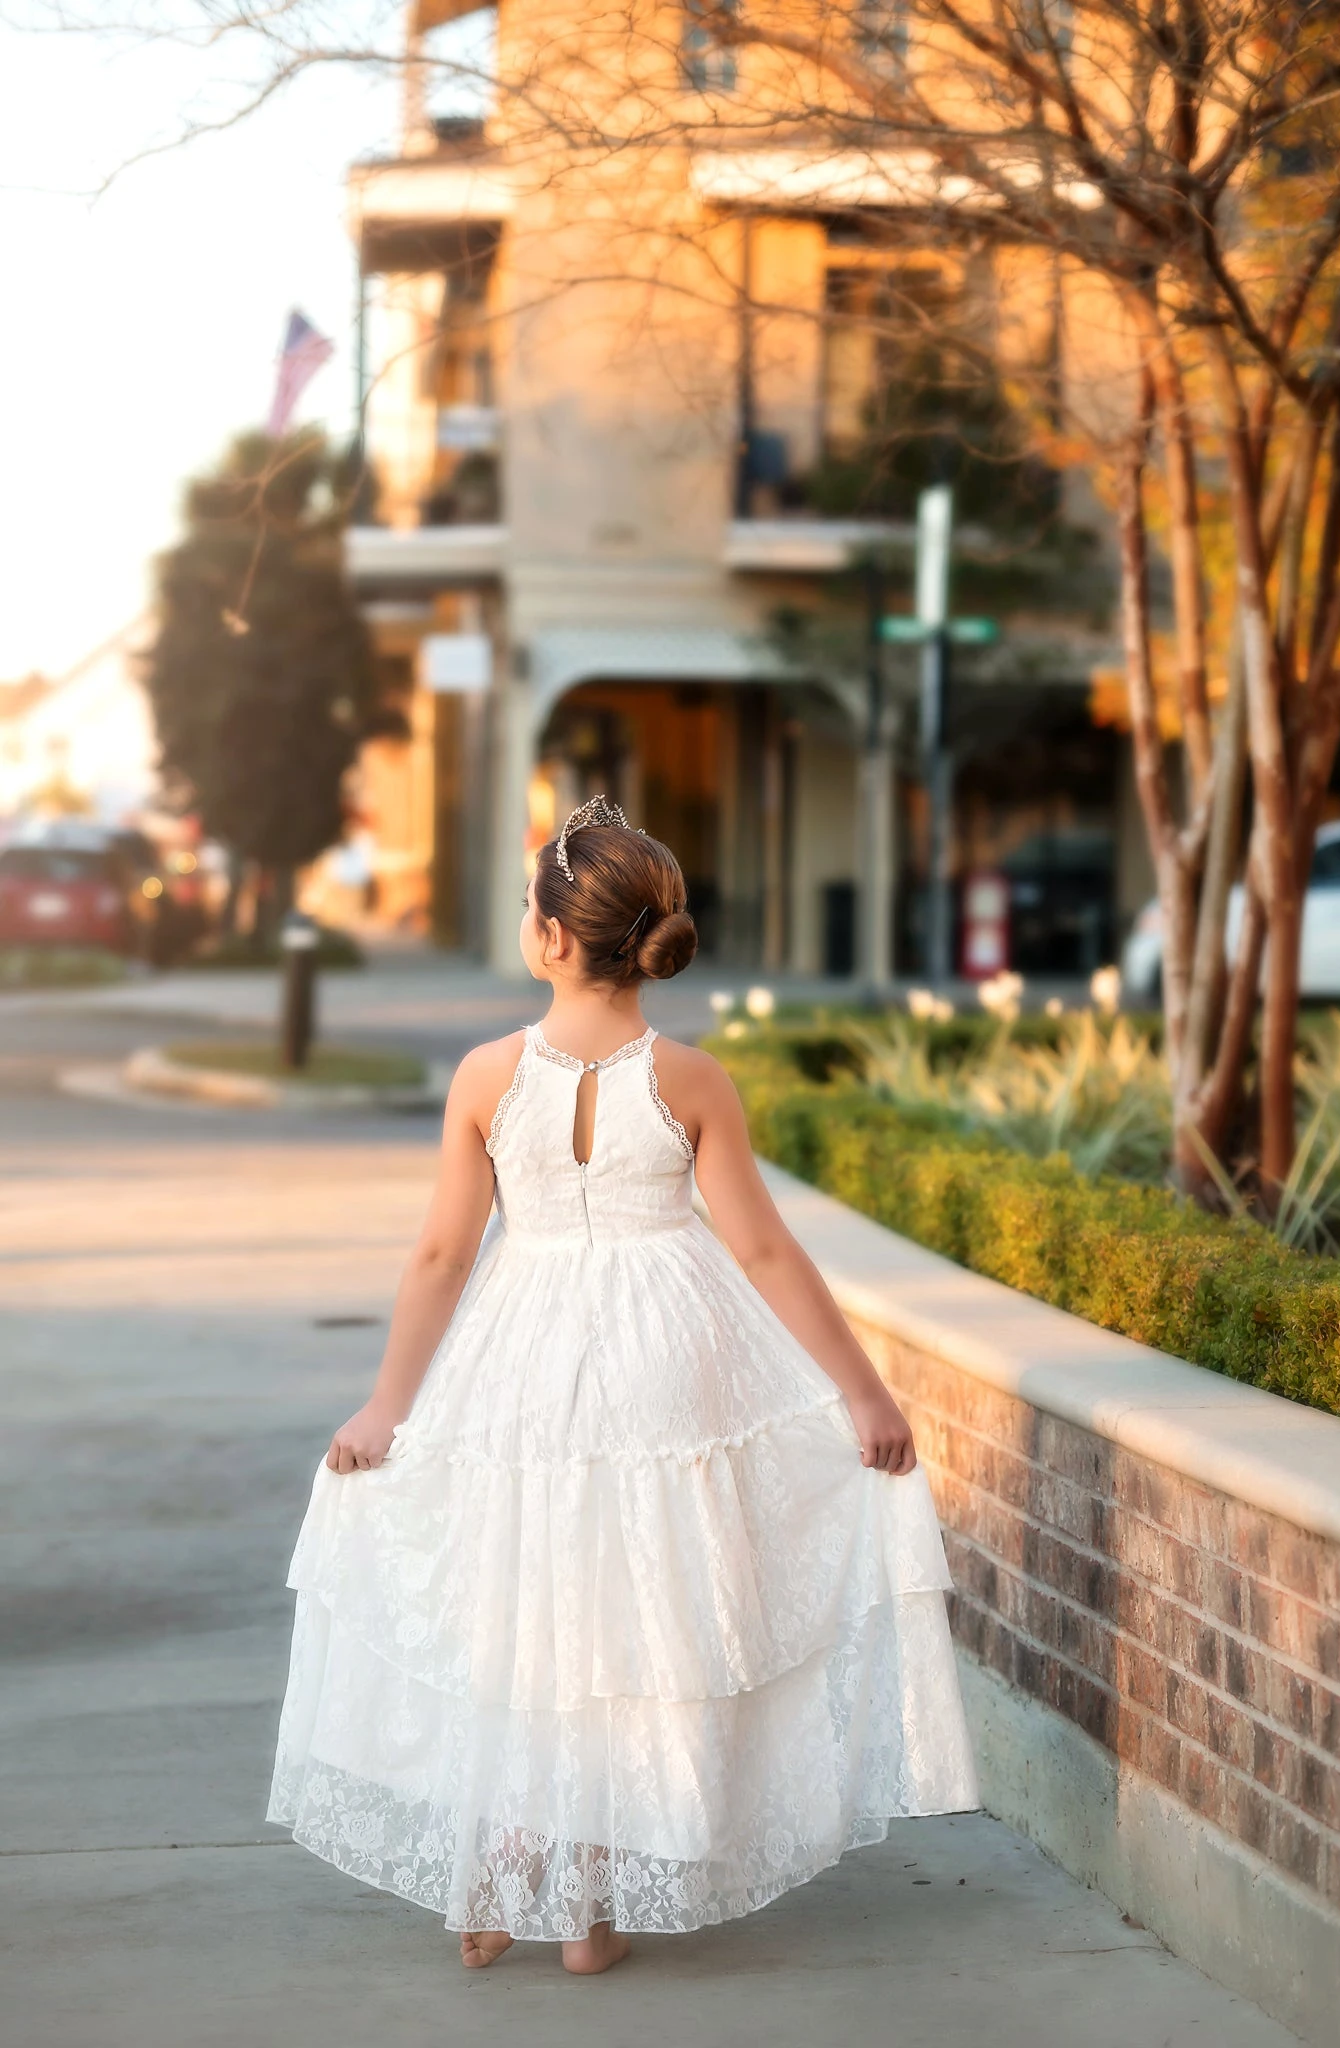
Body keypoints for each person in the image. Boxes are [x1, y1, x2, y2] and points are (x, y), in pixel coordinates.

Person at [268, 796, 980, 1976]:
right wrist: (861, 1393)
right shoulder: (690, 1079)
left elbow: (442, 1255)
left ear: (550, 937)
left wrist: (386, 1406)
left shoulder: (487, 1076)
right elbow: (761, 1249)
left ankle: (502, 1869)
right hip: (668, 1358)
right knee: (632, 1614)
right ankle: (589, 1906)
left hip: (523, 1359)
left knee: (526, 1607)